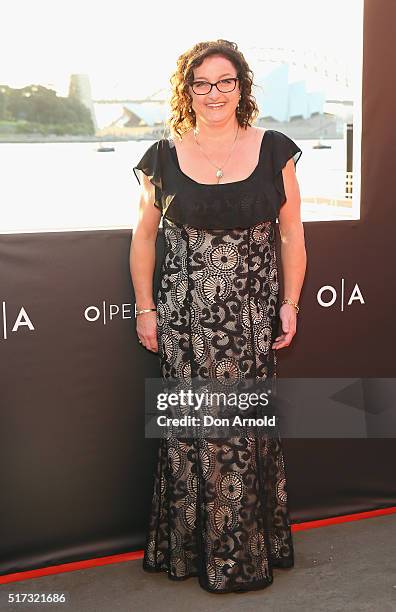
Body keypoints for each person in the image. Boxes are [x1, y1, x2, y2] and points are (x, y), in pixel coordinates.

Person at [130, 39, 307, 594]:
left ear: (241, 88)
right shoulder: (161, 156)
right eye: (202, 83)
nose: (214, 92)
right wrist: (145, 308)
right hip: (184, 323)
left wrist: (290, 302)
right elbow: (143, 238)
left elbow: (292, 233)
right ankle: (192, 549)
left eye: (225, 81)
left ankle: (251, 549)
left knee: (241, 430)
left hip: (251, 317)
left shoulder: (275, 149)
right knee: (195, 432)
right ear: (188, 91)